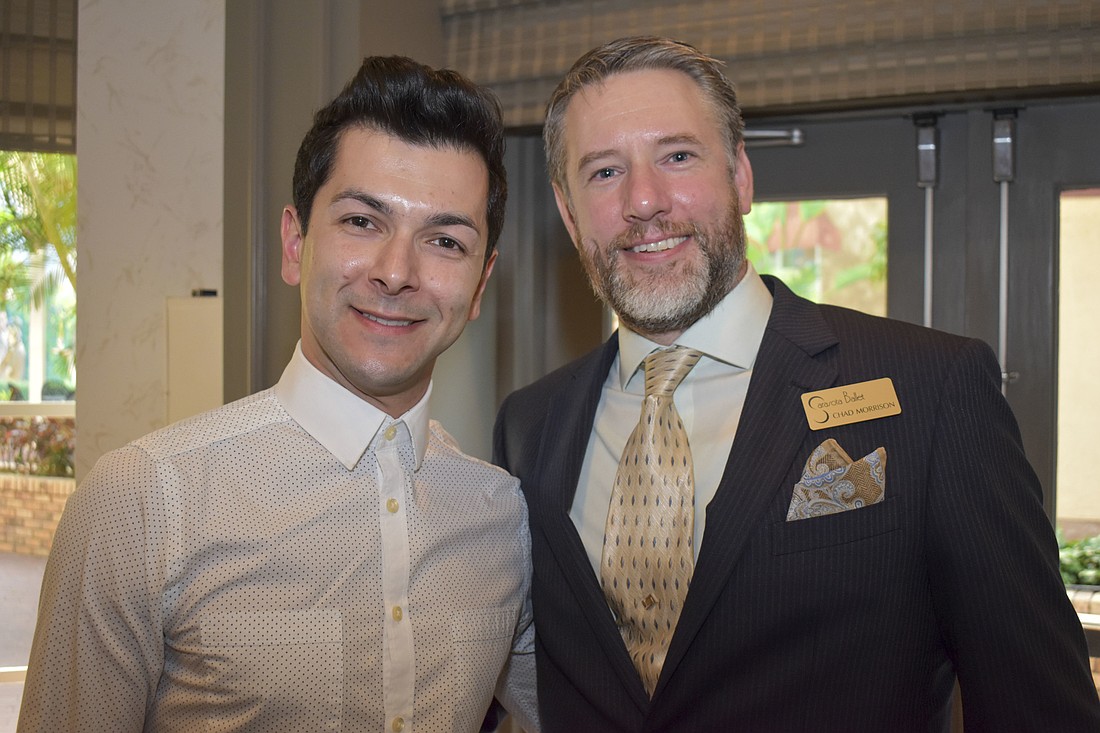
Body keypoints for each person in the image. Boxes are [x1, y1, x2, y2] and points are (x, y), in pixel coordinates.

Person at [492, 35, 1100, 731]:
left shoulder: (932, 389)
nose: (644, 201)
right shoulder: (529, 426)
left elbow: (1039, 707)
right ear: (570, 214)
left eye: (678, 156)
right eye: (604, 172)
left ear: (741, 177)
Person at [19, 56, 538, 733]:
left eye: (444, 240)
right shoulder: (142, 503)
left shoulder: (500, 517)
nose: (396, 272)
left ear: (478, 285)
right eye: (362, 221)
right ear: (295, 244)